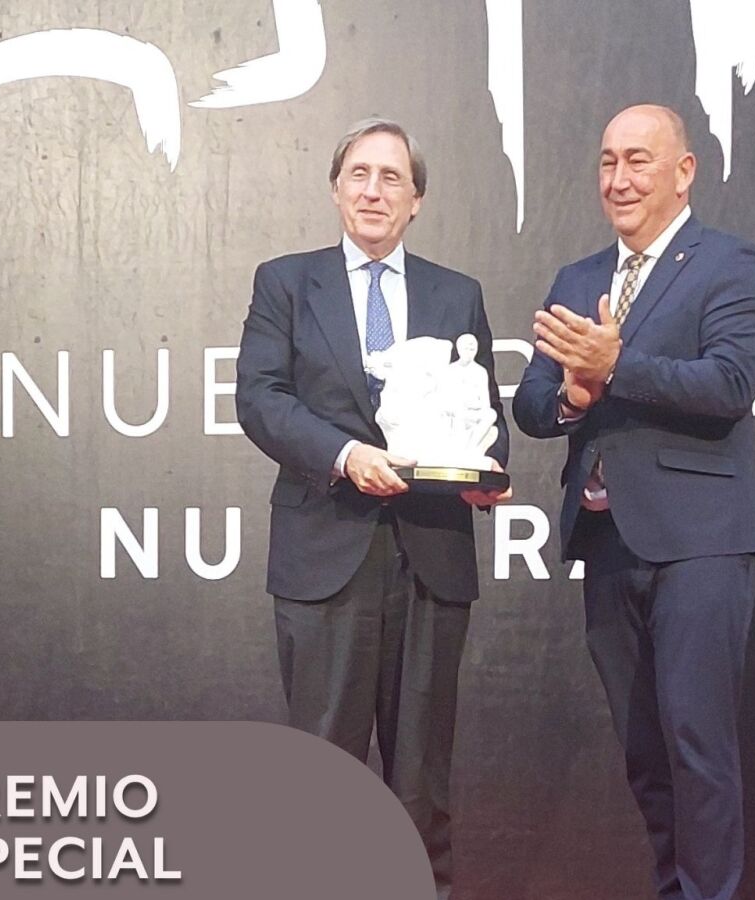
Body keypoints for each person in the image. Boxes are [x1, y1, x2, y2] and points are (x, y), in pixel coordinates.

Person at [235, 117, 511, 900]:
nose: (373, 191)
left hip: (430, 559)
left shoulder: (457, 294)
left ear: (416, 200)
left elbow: (482, 414)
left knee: (422, 783)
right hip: (327, 554)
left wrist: (489, 472)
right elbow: (260, 398)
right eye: (359, 174)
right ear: (335, 189)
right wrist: (345, 455)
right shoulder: (286, 283)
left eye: (392, 178)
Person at [512, 104, 755, 900]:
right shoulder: (578, 279)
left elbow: (731, 384)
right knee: (646, 756)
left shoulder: (728, 262)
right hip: (606, 543)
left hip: (701, 542)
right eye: (607, 162)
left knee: (697, 748)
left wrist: (616, 367)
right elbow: (531, 404)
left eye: (638, 160)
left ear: (684, 172)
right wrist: (573, 392)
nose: (619, 179)